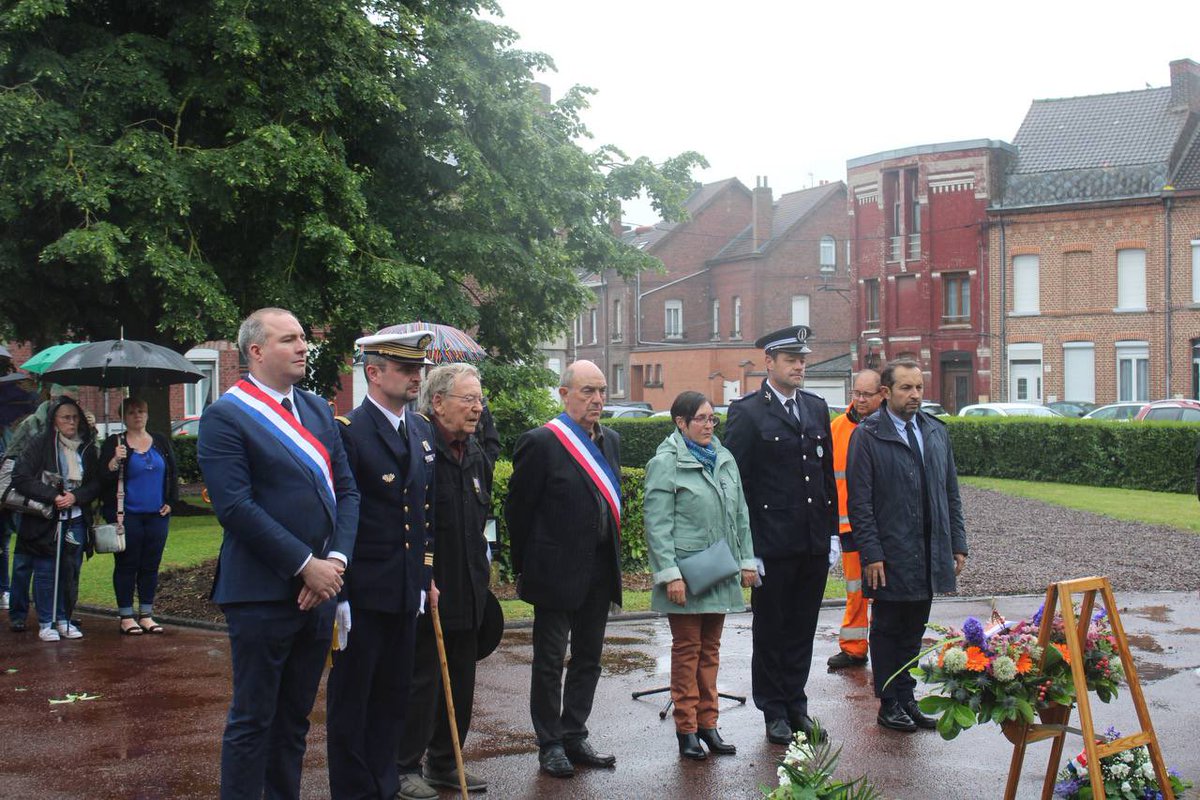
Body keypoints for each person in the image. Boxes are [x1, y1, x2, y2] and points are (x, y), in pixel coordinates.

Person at [197, 307, 360, 800]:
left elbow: (347, 492)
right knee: (253, 721)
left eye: (303, 337)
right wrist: (304, 565)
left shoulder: (316, 409)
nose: (303, 346)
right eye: (289, 339)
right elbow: (235, 507)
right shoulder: (225, 416)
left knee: (294, 721)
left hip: (321, 590)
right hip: (261, 593)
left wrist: (334, 564)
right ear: (256, 351)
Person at [325, 330, 436, 800]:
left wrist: (424, 579)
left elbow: (424, 513)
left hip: (405, 589)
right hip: (363, 591)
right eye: (406, 369)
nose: (417, 377)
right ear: (373, 372)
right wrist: (342, 595)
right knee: (353, 702)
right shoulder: (348, 431)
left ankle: (384, 788)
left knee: (393, 699)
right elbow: (338, 516)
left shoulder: (421, 429)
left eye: (419, 369)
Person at [505, 360, 622, 779]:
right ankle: (550, 743)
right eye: (588, 391)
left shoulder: (611, 441)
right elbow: (518, 510)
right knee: (550, 662)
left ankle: (574, 733)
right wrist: (527, 566)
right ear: (564, 394)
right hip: (554, 572)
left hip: (600, 570)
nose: (597, 399)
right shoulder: (541, 442)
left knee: (589, 658)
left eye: (602, 391)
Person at [723, 325, 838, 745]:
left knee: (802, 629)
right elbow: (738, 486)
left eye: (802, 359)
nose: (799, 367)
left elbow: (825, 477)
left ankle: (796, 706)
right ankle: (773, 709)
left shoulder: (815, 407)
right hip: (772, 544)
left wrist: (832, 534)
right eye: (791, 360)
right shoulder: (748, 412)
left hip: (811, 541)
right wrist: (748, 550)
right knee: (772, 630)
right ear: (769, 362)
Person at [846, 359, 968, 733]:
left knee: (914, 628)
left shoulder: (935, 431)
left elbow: (950, 492)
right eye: (906, 388)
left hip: (928, 550)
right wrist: (872, 553)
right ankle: (888, 703)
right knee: (888, 629)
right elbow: (860, 502)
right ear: (886, 392)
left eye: (918, 387)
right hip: (890, 551)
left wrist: (957, 543)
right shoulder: (868, 435)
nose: (915, 395)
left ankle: (906, 696)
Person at [643, 391, 757, 760]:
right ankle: (687, 730)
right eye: (702, 419)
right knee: (687, 652)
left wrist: (747, 561)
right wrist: (670, 575)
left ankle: (709, 724)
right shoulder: (665, 462)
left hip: (720, 570)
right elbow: (657, 525)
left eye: (712, 419)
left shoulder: (724, 458)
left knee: (710, 652)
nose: (709, 425)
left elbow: (741, 515)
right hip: (687, 576)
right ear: (681, 422)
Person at [397, 363, 492, 799]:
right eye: (468, 399)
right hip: (429, 589)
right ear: (437, 402)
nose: (477, 408)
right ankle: (403, 766)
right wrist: (423, 577)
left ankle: (444, 762)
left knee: (461, 682)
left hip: (469, 588)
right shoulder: (417, 448)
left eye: (479, 400)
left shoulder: (472, 452)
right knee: (423, 683)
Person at [11, 396, 101, 642]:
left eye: (75, 418)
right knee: (46, 571)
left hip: (76, 518)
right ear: (54, 421)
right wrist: (54, 496)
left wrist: (75, 497)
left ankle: (63, 619)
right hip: (46, 519)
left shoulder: (86, 447)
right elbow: (21, 477)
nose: (71, 422)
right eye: (66, 418)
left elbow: (96, 483)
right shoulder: (40, 444)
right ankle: (46, 621)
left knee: (69, 571)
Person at [98, 396, 179, 635]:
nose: (137, 416)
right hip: (128, 516)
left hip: (157, 515)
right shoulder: (115, 442)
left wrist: (170, 502)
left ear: (147, 414)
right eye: (132, 412)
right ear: (123, 417)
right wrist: (115, 461)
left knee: (150, 565)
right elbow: (102, 478)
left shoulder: (160, 441)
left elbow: (172, 473)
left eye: (141, 411)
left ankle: (146, 614)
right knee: (127, 564)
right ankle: (126, 615)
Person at [826, 369, 884, 670]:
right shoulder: (837, 428)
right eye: (856, 394)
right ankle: (853, 649)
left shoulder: (888, 426)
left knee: (885, 589)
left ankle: (885, 649)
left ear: (881, 394)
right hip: (848, 525)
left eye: (866, 395)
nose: (860, 400)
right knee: (855, 589)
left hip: (882, 525)